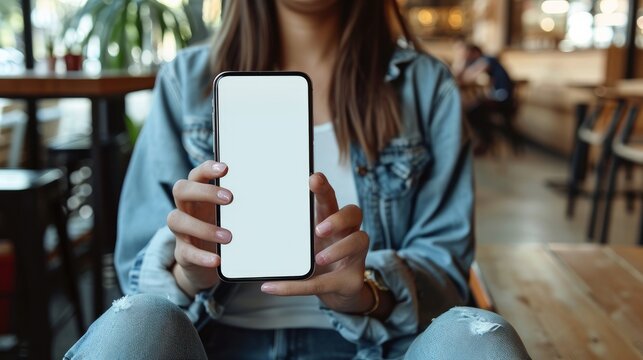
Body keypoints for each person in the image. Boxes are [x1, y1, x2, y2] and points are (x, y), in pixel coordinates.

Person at [65, 1, 531, 359]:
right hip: (207, 343)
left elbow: (445, 276)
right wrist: (187, 273)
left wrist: (368, 290)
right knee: (139, 322)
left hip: (373, 347)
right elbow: (136, 284)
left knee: (477, 336)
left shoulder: (426, 87)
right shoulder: (184, 82)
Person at [453, 41, 516, 154]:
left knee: (472, 109)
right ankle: (483, 141)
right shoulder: (486, 60)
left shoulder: (487, 59)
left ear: (475, 52)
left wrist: (462, 61)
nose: (467, 57)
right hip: (500, 97)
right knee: (473, 107)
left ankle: (484, 142)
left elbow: (467, 77)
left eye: (468, 54)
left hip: (503, 98)